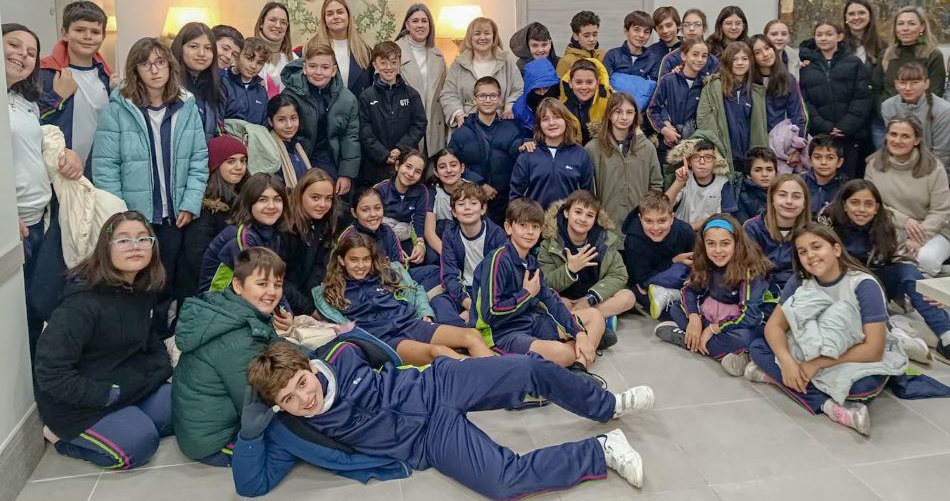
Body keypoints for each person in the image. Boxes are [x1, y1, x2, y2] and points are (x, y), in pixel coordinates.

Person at [242, 340, 652, 497]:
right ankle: (602, 450)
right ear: (277, 405)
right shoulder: (294, 428)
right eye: (288, 398)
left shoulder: (340, 353)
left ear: (309, 368)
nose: (305, 399)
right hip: (427, 439)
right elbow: (250, 485)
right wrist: (248, 433)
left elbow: (383, 351)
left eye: (302, 383)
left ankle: (607, 405)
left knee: (527, 368)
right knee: (502, 482)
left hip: (437, 384)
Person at [35, 212, 172, 469]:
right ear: (106, 248)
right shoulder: (81, 303)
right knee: (140, 445)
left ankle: (130, 419)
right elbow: (51, 373)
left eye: (143, 239)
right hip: (81, 405)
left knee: (185, 407)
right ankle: (64, 441)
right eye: (123, 240)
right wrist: (108, 395)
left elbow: (150, 340)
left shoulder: (141, 288)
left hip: (125, 386)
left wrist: (159, 370)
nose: (135, 246)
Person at [746, 223, 909, 437]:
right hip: (809, 348)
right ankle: (829, 406)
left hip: (851, 355)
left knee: (859, 389)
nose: (810, 256)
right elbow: (775, 325)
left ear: (836, 249)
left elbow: (874, 349)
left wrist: (817, 363)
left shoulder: (863, 284)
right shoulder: (800, 280)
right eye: (803, 252)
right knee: (757, 346)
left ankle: (774, 377)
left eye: (816, 247)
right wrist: (787, 362)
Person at [822, 180, 950, 377]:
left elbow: (902, 259)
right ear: (844, 204)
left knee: (910, 275)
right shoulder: (828, 221)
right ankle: (895, 334)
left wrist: (928, 290)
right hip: (844, 286)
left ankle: (949, 340)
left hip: (878, 279)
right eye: (855, 203)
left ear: (877, 208)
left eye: (868, 204)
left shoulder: (886, 223)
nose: (861, 209)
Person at [93, 37, 208, 319]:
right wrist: (121, 216)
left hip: (175, 215)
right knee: (135, 285)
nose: (154, 70)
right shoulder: (118, 108)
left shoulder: (186, 105)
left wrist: (190, 202)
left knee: (166, 282)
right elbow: (106, 167)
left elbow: (198, 159)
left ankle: (163, 335)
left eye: (160, 62)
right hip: (135, 217)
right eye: (145, 64)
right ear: (135, 70)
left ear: (170, 66)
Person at [173, 247, 291, 465]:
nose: (272, 292)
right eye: (262, 284)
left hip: (209, 425)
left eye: (277, 284)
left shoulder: (237, 313)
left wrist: (314, 356)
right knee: (297, 435)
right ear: (238, 285)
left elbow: (277, 346)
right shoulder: (238, 338)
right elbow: (255, 399)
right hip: (215, 442)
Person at [5, 22, 84, 348]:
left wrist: (68, 154)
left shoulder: (23, 101)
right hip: (13, 227)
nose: (22, 55)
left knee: (37, 305)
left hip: (40, 218)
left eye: (31, 52)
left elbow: (38, 143)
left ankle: (38, 371)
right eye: (13, 45)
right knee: (14, 314)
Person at [314, 233, 490, 364]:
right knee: (439, 352)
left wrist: (425, 312)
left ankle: (500, 374)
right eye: (354, 260)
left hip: (409, 323)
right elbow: (327, 322)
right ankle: (492, 377)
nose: (361, 266)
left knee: (471, 335)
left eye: (366, 259)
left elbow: (416, 289)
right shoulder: (330, 292)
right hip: (385, 339)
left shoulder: (387, 273)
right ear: (341, 260)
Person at [470, 198, 605, 367]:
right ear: (508, 227)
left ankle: (579, 366)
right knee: (564, 353)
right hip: (503, 333)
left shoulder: (531, 262)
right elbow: (490, 313)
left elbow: (551, 301)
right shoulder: (497, 260)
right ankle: (581, 350)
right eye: (523, 225)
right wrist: (526, 294)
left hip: (531, 322)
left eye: (535, 227)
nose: (530, 232)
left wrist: (579, 333)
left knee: (595, 316)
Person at [654, 214, 770, 377]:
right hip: (713, 315)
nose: (718, 250)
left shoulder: (750, 269)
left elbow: (750, 316)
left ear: (737, 243)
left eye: (725, 243)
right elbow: (689, 290)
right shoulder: (706, 260)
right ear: (704, 245)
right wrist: (694, 318)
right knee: (677, 308)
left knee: (746, 338)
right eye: (711, 243)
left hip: (742, 323)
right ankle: (710, 345)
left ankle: (689, 341)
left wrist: (712, 329)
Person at [539, 190, 635, 342]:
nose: (583, 219)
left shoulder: (604, 240)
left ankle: (581, 322)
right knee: (554, 303)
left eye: (590, 215)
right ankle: (598, 323)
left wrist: (590, 299)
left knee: (628, 297)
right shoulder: (550, 243)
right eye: (578, 212)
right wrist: (569, 270)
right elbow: (545, 282)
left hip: (594, 299)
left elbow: (619, 274)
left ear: (595, 219)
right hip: (566, 299)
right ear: (566, 213)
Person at [864, 116, 950, 277]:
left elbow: (941, 211)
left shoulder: (934, 167)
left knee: (926, 259)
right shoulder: (873, 165)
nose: (897, 140)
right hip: (888, 229)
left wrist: (918, 237)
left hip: (931, 231)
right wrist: (905, 221)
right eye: (893, 134)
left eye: (905, 136)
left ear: (917, 140)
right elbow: (871, 204)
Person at [280, 41, 361, 196]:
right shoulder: (290, 95)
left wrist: (347, 173)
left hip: (330, 158)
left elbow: (350, 137)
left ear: (333, 70)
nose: (318, 72)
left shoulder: (347, 99)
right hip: (297, 156)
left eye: (325, 67)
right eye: (312, 66)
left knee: (332, 198)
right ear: (304, 68)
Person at [39, 0, 112, 164]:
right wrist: (57, 97)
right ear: (65, 33)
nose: (88, 36)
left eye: (95, 32)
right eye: (80, 30)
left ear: (103, 36)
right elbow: (32, 123)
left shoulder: (107, 77)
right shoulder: (46, 73)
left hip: (97, 170)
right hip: (58, 168)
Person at [179, 134, 249, 302]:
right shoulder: (205, 207)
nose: (239, 167)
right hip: (205, 291)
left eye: (243, 160)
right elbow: (197, 258)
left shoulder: (245, 198)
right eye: (231, 161)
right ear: (216, 165)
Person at [449, 77, 526, 224]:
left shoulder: (511, 128)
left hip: (505, 201)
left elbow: (519, 153)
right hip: (472, 201)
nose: (488, 100)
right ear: (474, 100)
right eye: (482, 96)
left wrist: (525, 145)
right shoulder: (461, 133)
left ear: (500, 99)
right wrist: (480, 184)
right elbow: (453, 164)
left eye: (493, 96)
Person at [799, 20, 872, 174]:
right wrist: (824, 126)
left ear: (839, 37)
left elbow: (862, 97)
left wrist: (845, 126)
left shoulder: (854, 63)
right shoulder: (807, 67)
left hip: (849, 136)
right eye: (819, 35)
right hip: (820, 136)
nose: (823, 38)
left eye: (828, 34)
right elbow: (804, 101)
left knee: (847, 179)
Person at [200, 173, 288, 292]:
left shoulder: (274, 233)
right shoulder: (242, 236)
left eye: (277, 199)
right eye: (262, 200)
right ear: (249, 203)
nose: (271, 206)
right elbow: (257, 286)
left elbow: (272, 282)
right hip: (219, 299)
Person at [435, 182, 509, 324]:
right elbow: (449, 275)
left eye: (473, 203)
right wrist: (467, 303)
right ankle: (465, 324)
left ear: (483, 209)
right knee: (439, 302)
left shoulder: (496, 235)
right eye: (461, 204)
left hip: (488, 292)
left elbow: (500, 277)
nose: (467, 208)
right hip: (462, 290)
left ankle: (465, 324)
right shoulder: (450, 234)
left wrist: (477, 305)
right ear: (453, 212)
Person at [357, 40, 427, 187]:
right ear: (375, 65)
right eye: (383, 63)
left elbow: (419, 124)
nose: (389, 67)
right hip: (376, 166)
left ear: (399, 63)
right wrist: (382, 154)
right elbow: (364, 130)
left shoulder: (411, 94)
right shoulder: (366, 96)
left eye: (393, 62)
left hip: (406, 162)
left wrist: (400, 149)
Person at [586, 92, 662, 226]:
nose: (624, 117)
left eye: (629, 112)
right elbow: (587, 190)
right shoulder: (592, 148)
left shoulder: (647, 147)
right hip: (605, 225)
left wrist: (647, 213)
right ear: (609, 114)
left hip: (639, 224)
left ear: (635, 115)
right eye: (618, 112)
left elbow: (656, 185)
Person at [696, 41, 769, 173]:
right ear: (727, 61)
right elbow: (704, 120)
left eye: (744, 59)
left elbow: (760, 128)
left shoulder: (756, 91)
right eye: (734, 59)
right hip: (722, 154)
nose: (740, 63)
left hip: (748, 157)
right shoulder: (713, 87)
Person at [621, 191, 696, 318]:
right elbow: (640, 280)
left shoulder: (685, 231)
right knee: (670, 312)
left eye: (662, 221)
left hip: (682, 278)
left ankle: (679, 295)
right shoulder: (633, 240)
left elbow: (698, 260)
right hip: (648, 283)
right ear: (640, 219)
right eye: (648, 221)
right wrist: (673, 261)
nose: (655, 228)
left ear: (672, 218)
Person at [743, 174, 813, 309]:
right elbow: (751, 271)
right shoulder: (752, 228)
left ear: (805, 203)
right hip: (761, 298)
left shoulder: (812, 233)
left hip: (799, 297)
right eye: (782, 195)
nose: (789, 201)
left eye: (796, 196)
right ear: (772, 199)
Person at [510, 98, 594, 208]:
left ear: (566, 120)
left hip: (568, 218)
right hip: (535, 218)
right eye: (545, 119)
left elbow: (588, 197)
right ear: (539, 125)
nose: (551, 123)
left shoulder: (580, 154)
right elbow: (516, 198)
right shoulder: (528, 155)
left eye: (557, 117)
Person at [873, 6, 946, 132]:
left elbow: (935, 92)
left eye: (911, 24)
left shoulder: (933, 55)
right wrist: (886, 114)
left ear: (922, 27)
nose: (905, 28)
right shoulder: (887, 55)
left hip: (920, 124)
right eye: (900, 24)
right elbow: (876, 89)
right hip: (887, 121)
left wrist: (911, 122)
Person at [441, 16, 523, 126]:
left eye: (487, 33)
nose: (482, 37)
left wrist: (510, 107)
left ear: (494, 36)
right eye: (477, 33)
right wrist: (458, 113)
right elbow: (448, 94)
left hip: (501, 123)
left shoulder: (507, 62)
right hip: (466, 124)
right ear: (470, 37)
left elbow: (519, 90)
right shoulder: (458, 64)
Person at [280, 169, 339, 316]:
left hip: (305, 299)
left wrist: (316, 305)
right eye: (315, 197)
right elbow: (279, 280)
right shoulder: (284, 228)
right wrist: (308, 309)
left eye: (328, 198)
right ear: (300, 194)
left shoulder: (323, 222)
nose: (323, 204)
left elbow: (317, 270)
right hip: (283, 303)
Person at [881, 61, 950, 166]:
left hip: (933, 167)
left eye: (915, 82)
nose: (908, 88)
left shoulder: (944, 111)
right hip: (899, 163)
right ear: (896, 84)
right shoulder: (888, 106)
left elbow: (942, 153)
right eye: (902, 83)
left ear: (926, 83)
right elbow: (894, 144)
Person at [395, 3, 447, 156]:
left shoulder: (438, 55)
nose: (420, 25)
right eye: (415, 21)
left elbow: (445, 91)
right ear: (407, 25)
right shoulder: (394, 51)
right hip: (406, 126)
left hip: (434, 125)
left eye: (424, 21)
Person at [648, 39, 713, 159]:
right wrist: (664, 129)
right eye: (695, 54)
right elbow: (653, 109)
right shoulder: (668, 80)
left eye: (704, 56)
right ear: (684, 56)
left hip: (694, 148)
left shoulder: (706, 85)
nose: (700, 59)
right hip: (666, 146)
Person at [374, 148, 437, 269]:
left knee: (431, 257)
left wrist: (420, 244)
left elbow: (418, 220)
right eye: (408, 167)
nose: (411, 174)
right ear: (397, 165)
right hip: (383, 236)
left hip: (407, 234)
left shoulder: (422, 191)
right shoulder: (380, 189)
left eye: (417, 171)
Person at [302, 0, 372, 97]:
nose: (335, 17)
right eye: (330, 14)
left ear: (348, 15)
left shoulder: (365, 51)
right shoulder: (310, 47)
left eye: (340, 12)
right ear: (324, 19)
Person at [665, 138, 737, 229]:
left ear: (715, 161)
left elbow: (726, 216)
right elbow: (664, 207)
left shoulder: (723, 182)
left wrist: (691, 227)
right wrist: (679, 182)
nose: (702, 162)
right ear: (689, 162)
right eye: (696, 157)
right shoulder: (684, 176)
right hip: (681, 231)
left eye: (708, 157)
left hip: (711, 231)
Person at [171, 21, 223, 139]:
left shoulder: (215, 86)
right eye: (194, 46)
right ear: (180, 48)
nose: (201, 53)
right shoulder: (167, 84)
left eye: (208, 48)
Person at [751, 34, 806, 139]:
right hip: (756, 140)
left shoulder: (788, 79)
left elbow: (797, 115)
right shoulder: (749, 82)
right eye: (757, 52)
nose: (765, 54)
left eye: (767, 48)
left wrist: (797, 141)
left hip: (782, 140)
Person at [339, 187, 409, 267]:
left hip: (390, 274)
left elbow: (400, 265)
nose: (373, 214)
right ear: (354, 213)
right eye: (365, 210)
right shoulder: (349, 236)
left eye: (377, 208)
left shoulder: (388, 231)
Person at [425, 147, 470, 252]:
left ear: (462, 168)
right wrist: (447, 255)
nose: (449, 170)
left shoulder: (472, 190)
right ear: (436, 172)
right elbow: (429, 233)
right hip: (443, 241)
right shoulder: (432, 193)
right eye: (442, 167)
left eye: (453, 165)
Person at [220, 36, 269, 125]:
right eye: (249, 58)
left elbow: (264, 124)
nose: (253, 66)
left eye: (259, 63)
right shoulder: (223, 82)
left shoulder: (261, 90)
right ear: (237, 56)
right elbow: (216, 121)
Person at [560, 58, 610, 145]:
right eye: (578, 82)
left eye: (589, 82)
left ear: (597, 83)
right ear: (570, 83)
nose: (584, 87)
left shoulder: (608, 102)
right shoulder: (562, 105)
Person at [603, 10, 664, 81]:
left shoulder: (653, 60)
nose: (641, 35)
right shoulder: (612, 55)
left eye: (646, 32)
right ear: (626, 31)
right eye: (636, 30)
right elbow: (605, 83)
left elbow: (653, 86)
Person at [266, 92, 311, 187]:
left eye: (293, 118)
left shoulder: (298, 146)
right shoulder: (269, 150)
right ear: (270, 121)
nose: (289, 125)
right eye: (281, 120)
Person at [253, 2, 294, 96]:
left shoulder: (293, 59)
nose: (278, 25)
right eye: (272, 20)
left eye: (283, 22)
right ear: (261, 23)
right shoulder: (248, 55)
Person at [657, 8, 712, 77]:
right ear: (682, 29)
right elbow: (663, 82)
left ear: (704, 29)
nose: (691, 28)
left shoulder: (712, 60)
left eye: (697, 24)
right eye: (687, 25)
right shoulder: (670, 59)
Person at [513, 57, 561, 132]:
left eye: (546, 88)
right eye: (537, 89)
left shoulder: (564, 100)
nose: (542, 93)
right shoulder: (520, 109)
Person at [804, 134, 847, 214]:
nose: (823, 162)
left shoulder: (846, 187)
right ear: (810, 161)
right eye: (817, 157)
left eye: (830, 158)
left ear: (839, 162)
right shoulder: (799, 182)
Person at [558, 10, 604, 78]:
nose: (592, 39)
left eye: (594, 35)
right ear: (575, 36)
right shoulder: (566, 61)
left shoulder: (602, 55)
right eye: (586, 36)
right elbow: (562, 84)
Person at [736, 147, 776, 223]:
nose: (765, 174)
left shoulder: (783, 192)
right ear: (748, 175)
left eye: (769, 169)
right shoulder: (742, 197)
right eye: (758, 170)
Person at [841, 0, 883, 65]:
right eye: (851, 14)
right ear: (845, 18)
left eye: (861, 13)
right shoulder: (837, 45)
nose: (856, 17)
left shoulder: (883, 46)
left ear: (870, 16)